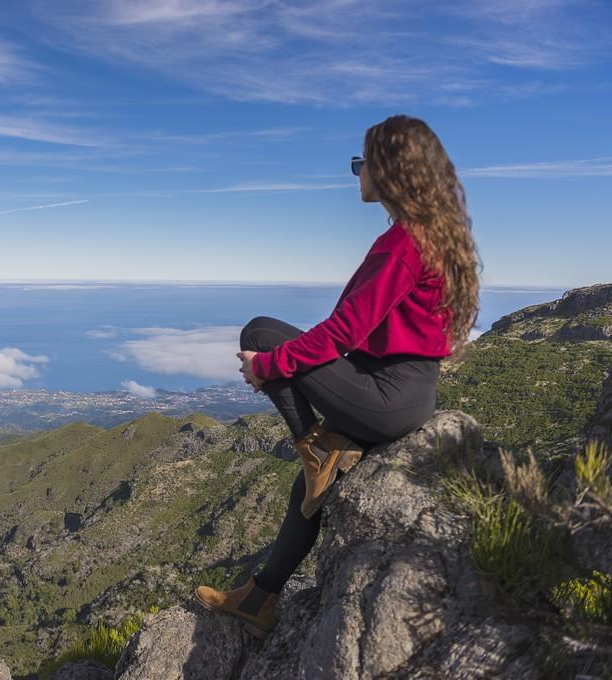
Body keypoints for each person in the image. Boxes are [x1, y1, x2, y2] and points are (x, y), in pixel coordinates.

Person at [194, 114, 482, 640]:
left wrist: (268, 366)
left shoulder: (405, 243)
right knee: (307, 492)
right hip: (405, 389)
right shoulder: (429, 236)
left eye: (362, 163)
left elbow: (343, 331)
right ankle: (258, 600)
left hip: (387, 392)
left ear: (390, 170)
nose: (357, 173)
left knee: (261, 333)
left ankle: (315, 446)